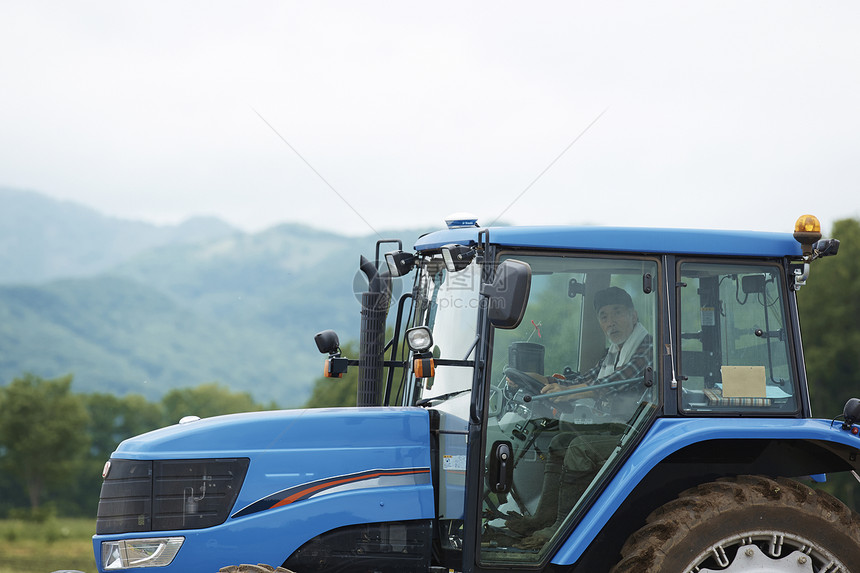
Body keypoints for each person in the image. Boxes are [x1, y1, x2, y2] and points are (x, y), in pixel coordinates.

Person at [504, 286, 653, 549]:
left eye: (617, 313)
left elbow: (620, 380)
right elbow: (587, 378)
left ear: (633, 315)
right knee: (560, 441)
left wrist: (571, 392)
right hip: (620, 427)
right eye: (604, 316)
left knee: (579, 448)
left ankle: (562, 526)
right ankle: (543, 518)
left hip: (642, 432)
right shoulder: (615, 351)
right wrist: (545, 380)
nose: (611, 322)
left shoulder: (646, 347)